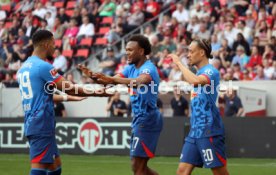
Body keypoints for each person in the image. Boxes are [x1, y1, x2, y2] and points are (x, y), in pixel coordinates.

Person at [17, 30, 112, 175]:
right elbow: (70, 88)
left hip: (36, 122)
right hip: (40, 122)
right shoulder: (43, 67)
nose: (55, 47)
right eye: (54, 44)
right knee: (39, 169)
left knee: (55, 168)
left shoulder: (24, 67)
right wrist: (96, 92)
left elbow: (41, 95)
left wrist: (68, 98)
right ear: (46, 44)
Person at [79, 34, 163, 175]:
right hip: (139, 119)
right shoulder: (130, 68)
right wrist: (95, 77)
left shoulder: (149, 68)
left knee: (138, 168)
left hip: (148, 119)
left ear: (141, 51)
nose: (127, 53)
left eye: (130, 50)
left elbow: (140, 81)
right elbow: (111, 81)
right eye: (126, 49)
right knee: (137, 167)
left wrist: (112, 79)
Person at [168, 39, 229, 175]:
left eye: (191, 51)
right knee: (182, 172)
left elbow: (195, 82)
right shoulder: (198, 73)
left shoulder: (211, 71)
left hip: (209, 130)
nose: (188, 55)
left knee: (220, 172)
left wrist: (178, 62)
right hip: (195, 131)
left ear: (202, 53)